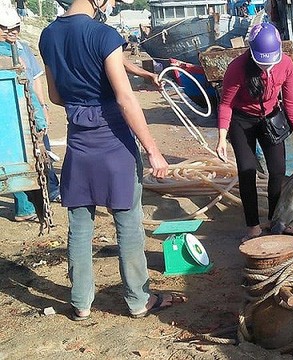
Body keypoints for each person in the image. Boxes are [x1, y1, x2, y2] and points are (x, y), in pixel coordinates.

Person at [38, 0, 178, 321]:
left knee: (80, 226)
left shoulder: (47, 36)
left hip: (79, 142)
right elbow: (125, 99)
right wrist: (153, 150)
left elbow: (56, 96)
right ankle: (138, 299)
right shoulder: (103, 34)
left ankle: (81, 302)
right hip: (114, 142)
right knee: (128, 224)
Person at [216, 22, 293, 241]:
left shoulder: (285, 64)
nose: (266, 68)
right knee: (247, 171)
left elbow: (290, 101)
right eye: (262, 64)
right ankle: (253, 226)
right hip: (242, 120)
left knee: (278, 171)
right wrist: (222, 136)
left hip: (270, 118)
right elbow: (226, 104)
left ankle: (277, 220)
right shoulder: (237, 68)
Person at [0, 6, 61, 222]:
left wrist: (42, 108)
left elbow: (35, 81)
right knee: (15, 158)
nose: (11, 32)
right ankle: (25, 207)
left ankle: (40, 200)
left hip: (29, 112)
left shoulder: (23, 49)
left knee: (40, 156)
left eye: (15, 28)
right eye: (5, 29)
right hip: (8, 118)